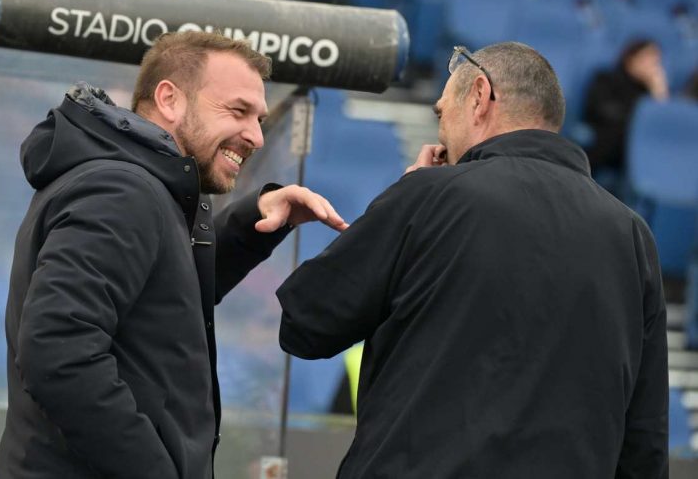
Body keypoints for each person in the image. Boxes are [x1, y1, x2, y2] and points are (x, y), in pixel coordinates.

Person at [277, 42, 668, 478]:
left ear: (480, 97)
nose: (439, 136)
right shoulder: (634, 237)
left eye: (442, 114)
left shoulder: (427, 196)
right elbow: (645, 440)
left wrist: (402, 199)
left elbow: (305, 321)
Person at [0, 31, 347, 479]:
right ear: (169, 99)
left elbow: (165, 302)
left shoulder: (140, 188)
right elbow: (58, 351)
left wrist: (251, 223)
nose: (256, 136)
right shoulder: (124, 190)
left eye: (259, 118)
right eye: (238, 111)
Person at [582, 38, 668, 198]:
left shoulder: (648, 93)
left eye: (656, 61)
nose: (651, 65)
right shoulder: (606, 77)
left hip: (633, 149)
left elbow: (660, 128)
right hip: (606, 137)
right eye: (647, 58)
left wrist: (659, 93)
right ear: (631, 58)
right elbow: (599, 109)